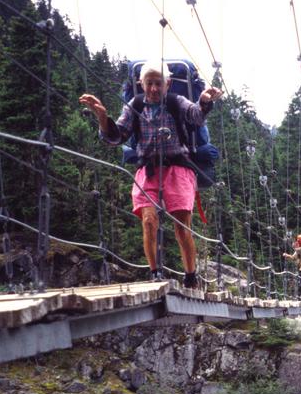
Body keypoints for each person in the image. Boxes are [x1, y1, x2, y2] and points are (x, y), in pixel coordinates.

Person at [79, 64, 222, 288]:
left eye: (158, 83)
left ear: (168, 84)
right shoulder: (134, 105)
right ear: (141, 84)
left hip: (178, 168)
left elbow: (195, 117)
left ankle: (190, 275)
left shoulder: (176, 102)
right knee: (148, 221)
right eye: (149, 83)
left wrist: (204, 101)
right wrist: (103, 118)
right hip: (148, 170)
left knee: (181, 226)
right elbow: (117, 137)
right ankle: (155, 273)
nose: (154, 88)